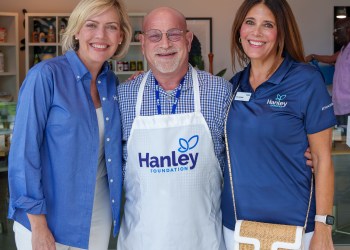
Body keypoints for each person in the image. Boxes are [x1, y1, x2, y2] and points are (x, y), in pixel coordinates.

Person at [7, 0, 132, 249]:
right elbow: (23, 156)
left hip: (97, 213)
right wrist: (38, 225)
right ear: (76, 30)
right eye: (91, 25)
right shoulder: (45, 76)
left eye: (110, 27)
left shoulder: (112, 85)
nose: (101, 35)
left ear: (120, 36)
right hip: (49, 218)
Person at [222, 0, 337, 249]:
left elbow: (322, 158)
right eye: (250, 22)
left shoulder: (306, 81)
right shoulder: (233, 85)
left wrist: (323, 227)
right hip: (237, 225)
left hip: (295, 225)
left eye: (268, 25)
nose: (256, 32)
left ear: (281, 33)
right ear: (239, 30)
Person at [116, 7, 233, 250]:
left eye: (174, 34)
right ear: (143, 42)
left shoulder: (220, 92)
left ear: (188, 41)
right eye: (155, 36)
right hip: (141, 241)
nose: (165, 44)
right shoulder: (124, 96)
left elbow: (244, 158)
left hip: (204, 241)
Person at [306, 17, 350, 127]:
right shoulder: (344, 49)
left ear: (348, 30)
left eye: (338, 30)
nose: (334, 34)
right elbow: (331, 58)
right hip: (340, 105)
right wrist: (313, 56)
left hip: (348, 105)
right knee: (342, 138)